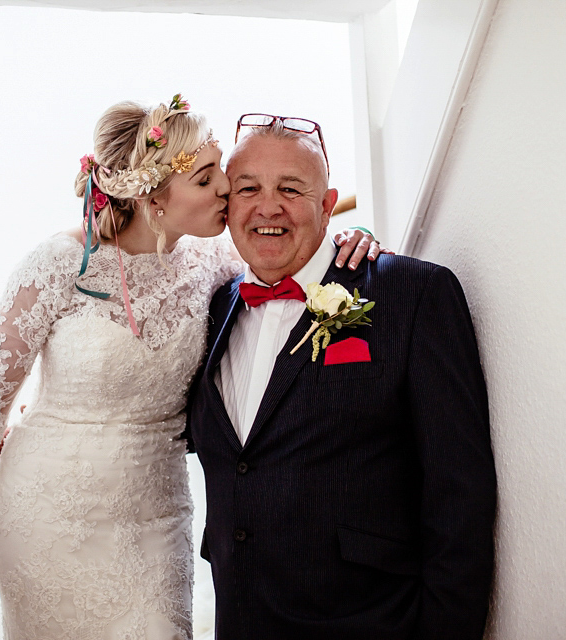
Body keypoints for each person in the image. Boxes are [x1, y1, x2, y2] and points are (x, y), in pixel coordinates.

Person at [0, 96, 383, 640]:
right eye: (208, 179)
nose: (227, 191)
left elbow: (297, 258)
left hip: (155, 517)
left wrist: (353, 239)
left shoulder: (216, 263)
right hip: (47, 511)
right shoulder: (58, 264)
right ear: (155, 199)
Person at [188, 115, 497, 639]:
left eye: (291, 188)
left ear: (327, 205)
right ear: (227, 205)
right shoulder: (212, 306)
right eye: (249, 189)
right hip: (242, 619)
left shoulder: (414, 294)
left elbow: (459, 494)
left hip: (370, 622)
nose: (268, 207)